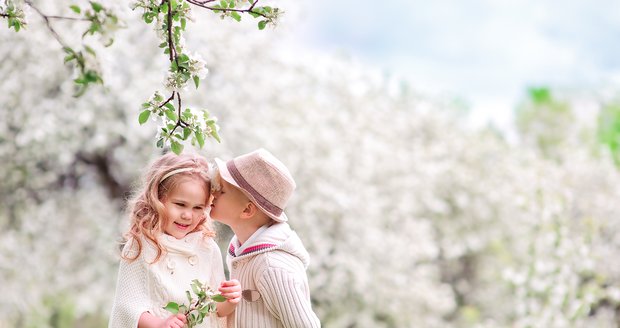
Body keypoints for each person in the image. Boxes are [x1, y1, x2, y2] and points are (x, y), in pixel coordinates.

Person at [109, 152, 241, 328]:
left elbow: (215, 310)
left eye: (198, 208)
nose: (187, 215)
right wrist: (159, 324)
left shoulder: (206, 247)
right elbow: (127, 306)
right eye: (180, 204)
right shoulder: (141, 245)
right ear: (158, 199)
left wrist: (230, 300)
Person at [210, 148, 321, 328]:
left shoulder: (271, 265)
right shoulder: (242, 249)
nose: (212, 194)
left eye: (221, 191)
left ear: (247, 210)